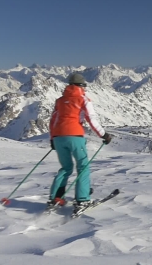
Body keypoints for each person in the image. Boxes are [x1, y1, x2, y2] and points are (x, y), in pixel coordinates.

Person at [48, 73, 112, 214]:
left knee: (65, 168)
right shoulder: (83, 99)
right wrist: (104, 134)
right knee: (83, 166)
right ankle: (82, 199)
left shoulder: (60, 100)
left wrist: (53, 138)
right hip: (75, 136)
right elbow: (91, 119)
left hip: (58, 137)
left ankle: (55, 198)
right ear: (82, 86)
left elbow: (53, 120)